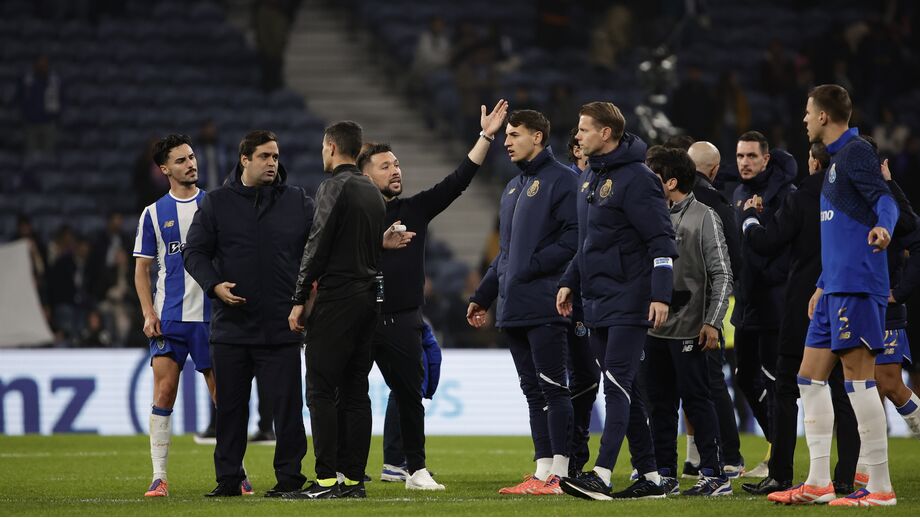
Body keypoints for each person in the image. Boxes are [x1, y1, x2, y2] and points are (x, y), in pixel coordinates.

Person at [360, 99, 508, 490]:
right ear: (362, 175)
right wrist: (379, 244)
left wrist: (485, 136)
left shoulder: (415, 209)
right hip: (356, 317)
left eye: (397, 164)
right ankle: (346, 469)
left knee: (410, 395)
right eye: (385, 166)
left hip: (403, 318)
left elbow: (458, 180)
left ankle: (414, 469)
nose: (396, 171)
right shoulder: (351, 216)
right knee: (349, 398)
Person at [768, 84, 899, 506]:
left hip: (859, 285)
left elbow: (886, 201)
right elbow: (839, 233)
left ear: (824, 115)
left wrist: (884, 229)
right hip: (834, 288)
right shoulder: (835, 163)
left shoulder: (857, 151)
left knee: (860, 385)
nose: (804, 119)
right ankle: (818, 482)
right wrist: (822, 283)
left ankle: (879, 489)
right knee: (808, 378)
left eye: (808, 112)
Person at [555, 102, 677, 500]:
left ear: (606, 133)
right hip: (598, 299)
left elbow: (661, 241)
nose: (578, 136)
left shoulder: (639, 179)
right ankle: (650, 477)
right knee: (629, 390)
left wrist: (660, 295)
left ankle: (603, 474)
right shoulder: (591, 178)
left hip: (630, 298)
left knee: (617, 385)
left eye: (584, 129)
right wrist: (569, 281)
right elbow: (589, 243)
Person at [183, 130, 313, 498]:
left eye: (275, 156)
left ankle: (289, 479)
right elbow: (194, 253)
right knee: (231, 410)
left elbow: (322, 245)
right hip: (232, 328)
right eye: (265, 156)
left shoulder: (298, 201)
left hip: (281, 325)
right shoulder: (217, 203)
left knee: (287, 410)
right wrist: (214, 286)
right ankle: (228, 480)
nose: (273, 162)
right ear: (245, 159)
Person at [285, 121, 411, 500]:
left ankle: (325, 480)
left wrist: (299, 296)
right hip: (368, 299)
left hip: (338, 299)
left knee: (321, 390)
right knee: (356, 391)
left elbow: (317, 243)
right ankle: (354, 480)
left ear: (331, 147)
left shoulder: (333, 186)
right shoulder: (373, 193)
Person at [738, 142, 859, 496]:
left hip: (802, 301)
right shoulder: (853, 196)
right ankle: (845, 479)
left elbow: (767, 242)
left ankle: (781, 475)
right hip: (846, 299)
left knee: (787, 388)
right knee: (844, 390)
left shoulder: (803, 194)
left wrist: (750, 218)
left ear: (813, 162)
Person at [468, 109, 577, 496]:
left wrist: (531, 265)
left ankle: (561, 474)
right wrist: (483, 295)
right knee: (532, 390)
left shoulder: (565, 179)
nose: (507, 141)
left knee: (552, 387)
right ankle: (542, 469)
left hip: (547, 301)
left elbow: (574, 238)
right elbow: (506, 254)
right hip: (514, 304)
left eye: (514, 134)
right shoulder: (513, 187)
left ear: (539, 137)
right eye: (506, 135)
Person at [131, 134, 231, 497]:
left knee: (224, 395)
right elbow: (142, 269)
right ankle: (159, 477)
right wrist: (147, 312)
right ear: (164, 169)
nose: (191, 164)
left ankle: (236, 471)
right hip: (170, 317)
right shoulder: (153, 213)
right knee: (164, 391)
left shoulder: (216, 205)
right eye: (181, 160)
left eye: (191, 157)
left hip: (211, 317)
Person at [645, 148, 733, 496]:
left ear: (670, 182)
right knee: (660, 405)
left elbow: (723, 274)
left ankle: (715, 474)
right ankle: (664, 472)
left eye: (654, 176)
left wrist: (712, 322)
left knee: (697, 401)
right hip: (653, 328)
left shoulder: (705, 216)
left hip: (692, 328)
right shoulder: (650, 215)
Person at [730, 130, 797, 477]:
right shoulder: (740, 192)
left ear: (766, 158)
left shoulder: (785, 194)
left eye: (751, 156)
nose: (744, 162)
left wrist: (767, 274)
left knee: (775, 381)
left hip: (774, 303)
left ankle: (777, 458)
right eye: (740, 156)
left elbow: (783, 248)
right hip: (747, 302)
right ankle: (777, 443)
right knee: (744, 377)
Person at [684, 140, 745, 478]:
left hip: (686, 306)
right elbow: (733, 260)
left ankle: (706, 460)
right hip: (714, 307)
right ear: (716, 170)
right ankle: (726, 456)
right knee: (712, 383)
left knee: (695, 385)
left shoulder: (681, 200)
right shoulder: (720, 203)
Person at [380, 320, 442, 480]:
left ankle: (345, 468)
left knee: (351, 388)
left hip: (363, 313)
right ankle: (397, 462)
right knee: (404, 387)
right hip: (397, 319)